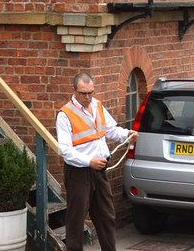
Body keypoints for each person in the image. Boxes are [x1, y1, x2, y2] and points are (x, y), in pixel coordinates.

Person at [56, 73, 137, 251]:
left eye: (90, 92)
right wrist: (88, 161)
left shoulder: (97, 105)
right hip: (78, 173)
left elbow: (110, 130)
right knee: (76, 221)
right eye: (83, 93)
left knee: (106, 217)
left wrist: (126, 134)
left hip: (99, 171)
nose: (87, 97)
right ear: (74, 91)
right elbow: (66, 151)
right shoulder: (65, 115)